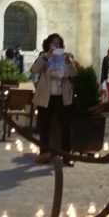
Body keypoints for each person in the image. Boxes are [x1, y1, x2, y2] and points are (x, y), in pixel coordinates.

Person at [30, 33, 77, 165]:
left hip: (62, 97)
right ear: (49, 44)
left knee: (65, 126)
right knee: (44, 126)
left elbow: (74, 74)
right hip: (47, 97)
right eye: (53, 43)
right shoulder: (44, 57)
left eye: (58, 43)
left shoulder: (66, 58)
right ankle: (45, 154)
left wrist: (69, 62)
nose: (56, 45)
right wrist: (47, 56)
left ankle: (67, 155)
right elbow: (34, 69)